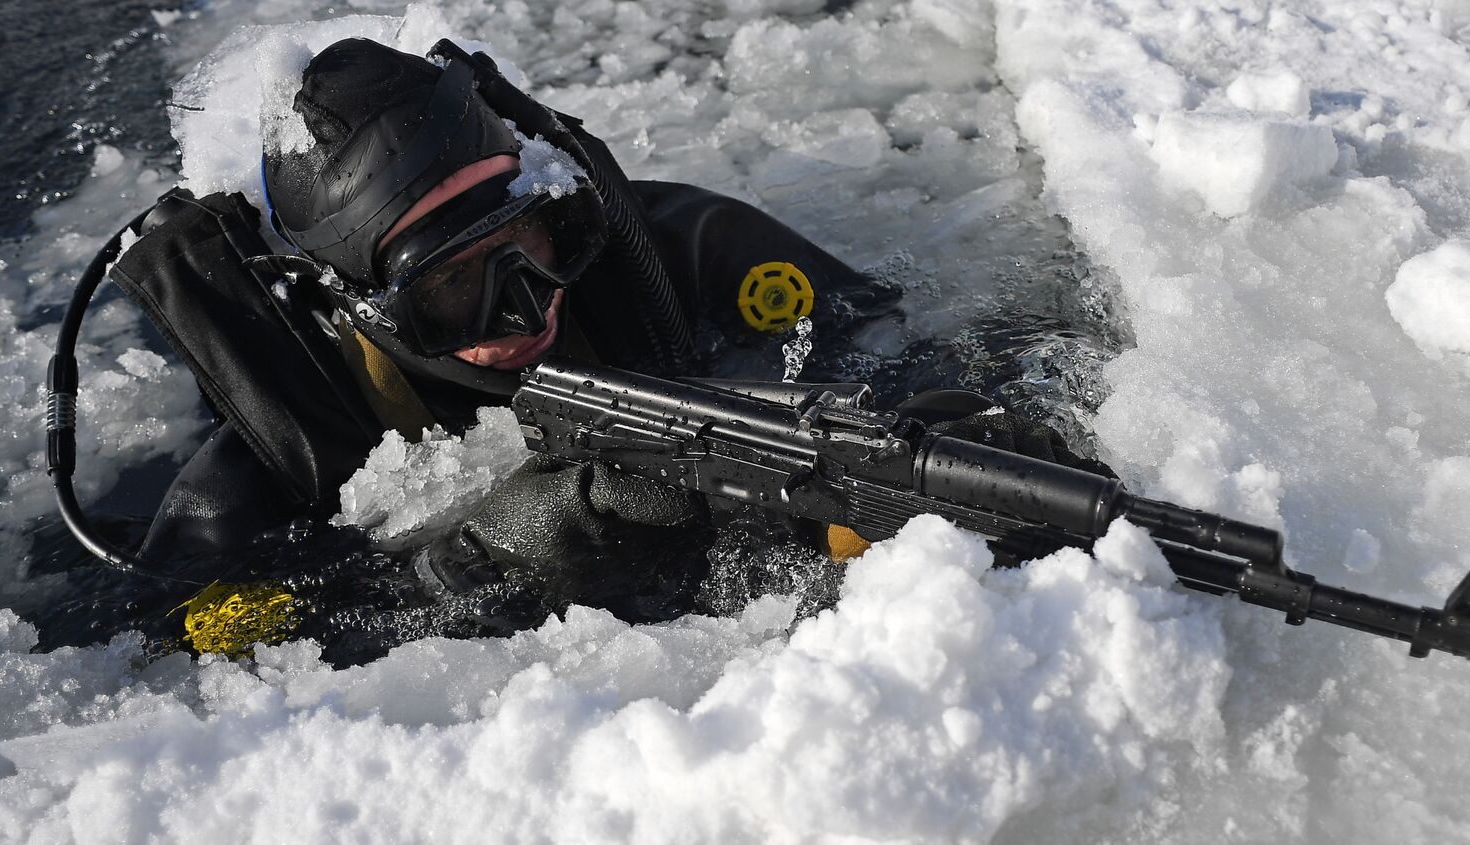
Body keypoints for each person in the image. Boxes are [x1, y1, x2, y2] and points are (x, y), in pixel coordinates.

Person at [110, 37, 1105, 652]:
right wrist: (494, 547)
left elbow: (880, 347)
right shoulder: (276, 448)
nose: (520, 309)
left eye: (532, 247)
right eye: (452, 289)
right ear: (363, 304)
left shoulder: (685, 255)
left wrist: (911, 445)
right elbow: (207, 661)